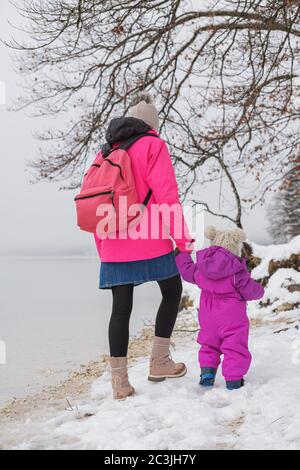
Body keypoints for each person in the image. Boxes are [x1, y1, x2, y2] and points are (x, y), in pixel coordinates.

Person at [94, 92, 194, 400]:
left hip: (111, 238)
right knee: (172, 291)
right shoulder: (154, 145)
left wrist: (104, 245)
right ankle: (159, 361)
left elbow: (93, 199)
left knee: (120, 309)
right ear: (152, 124)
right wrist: (183, 241)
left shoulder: (105, 151)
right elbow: (167, 197)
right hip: (150, 239)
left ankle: (119, 382)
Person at [175, 226, 265, 390]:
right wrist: (261, 290)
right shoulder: (237, 272)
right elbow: (252, 291)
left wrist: (181, 255)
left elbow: (187, 271)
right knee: (234, 346)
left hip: (208, 317)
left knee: (209, 345)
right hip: (233, 319)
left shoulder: (202, 269)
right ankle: (233, 380)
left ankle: (207, 374)